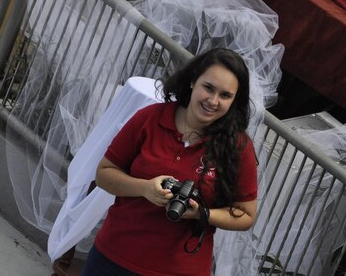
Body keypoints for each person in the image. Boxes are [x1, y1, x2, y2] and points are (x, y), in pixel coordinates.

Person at [81, 48, 258, 275]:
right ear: (194, 81)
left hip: (181, 269)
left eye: (225, 95)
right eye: (209, 88)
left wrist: (200, 213)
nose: (213, 101)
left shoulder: (237, 146)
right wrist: (145, 188)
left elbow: (246, 215)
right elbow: (104, 174)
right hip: (113, 257)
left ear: (235, 101)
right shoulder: (150, 118)